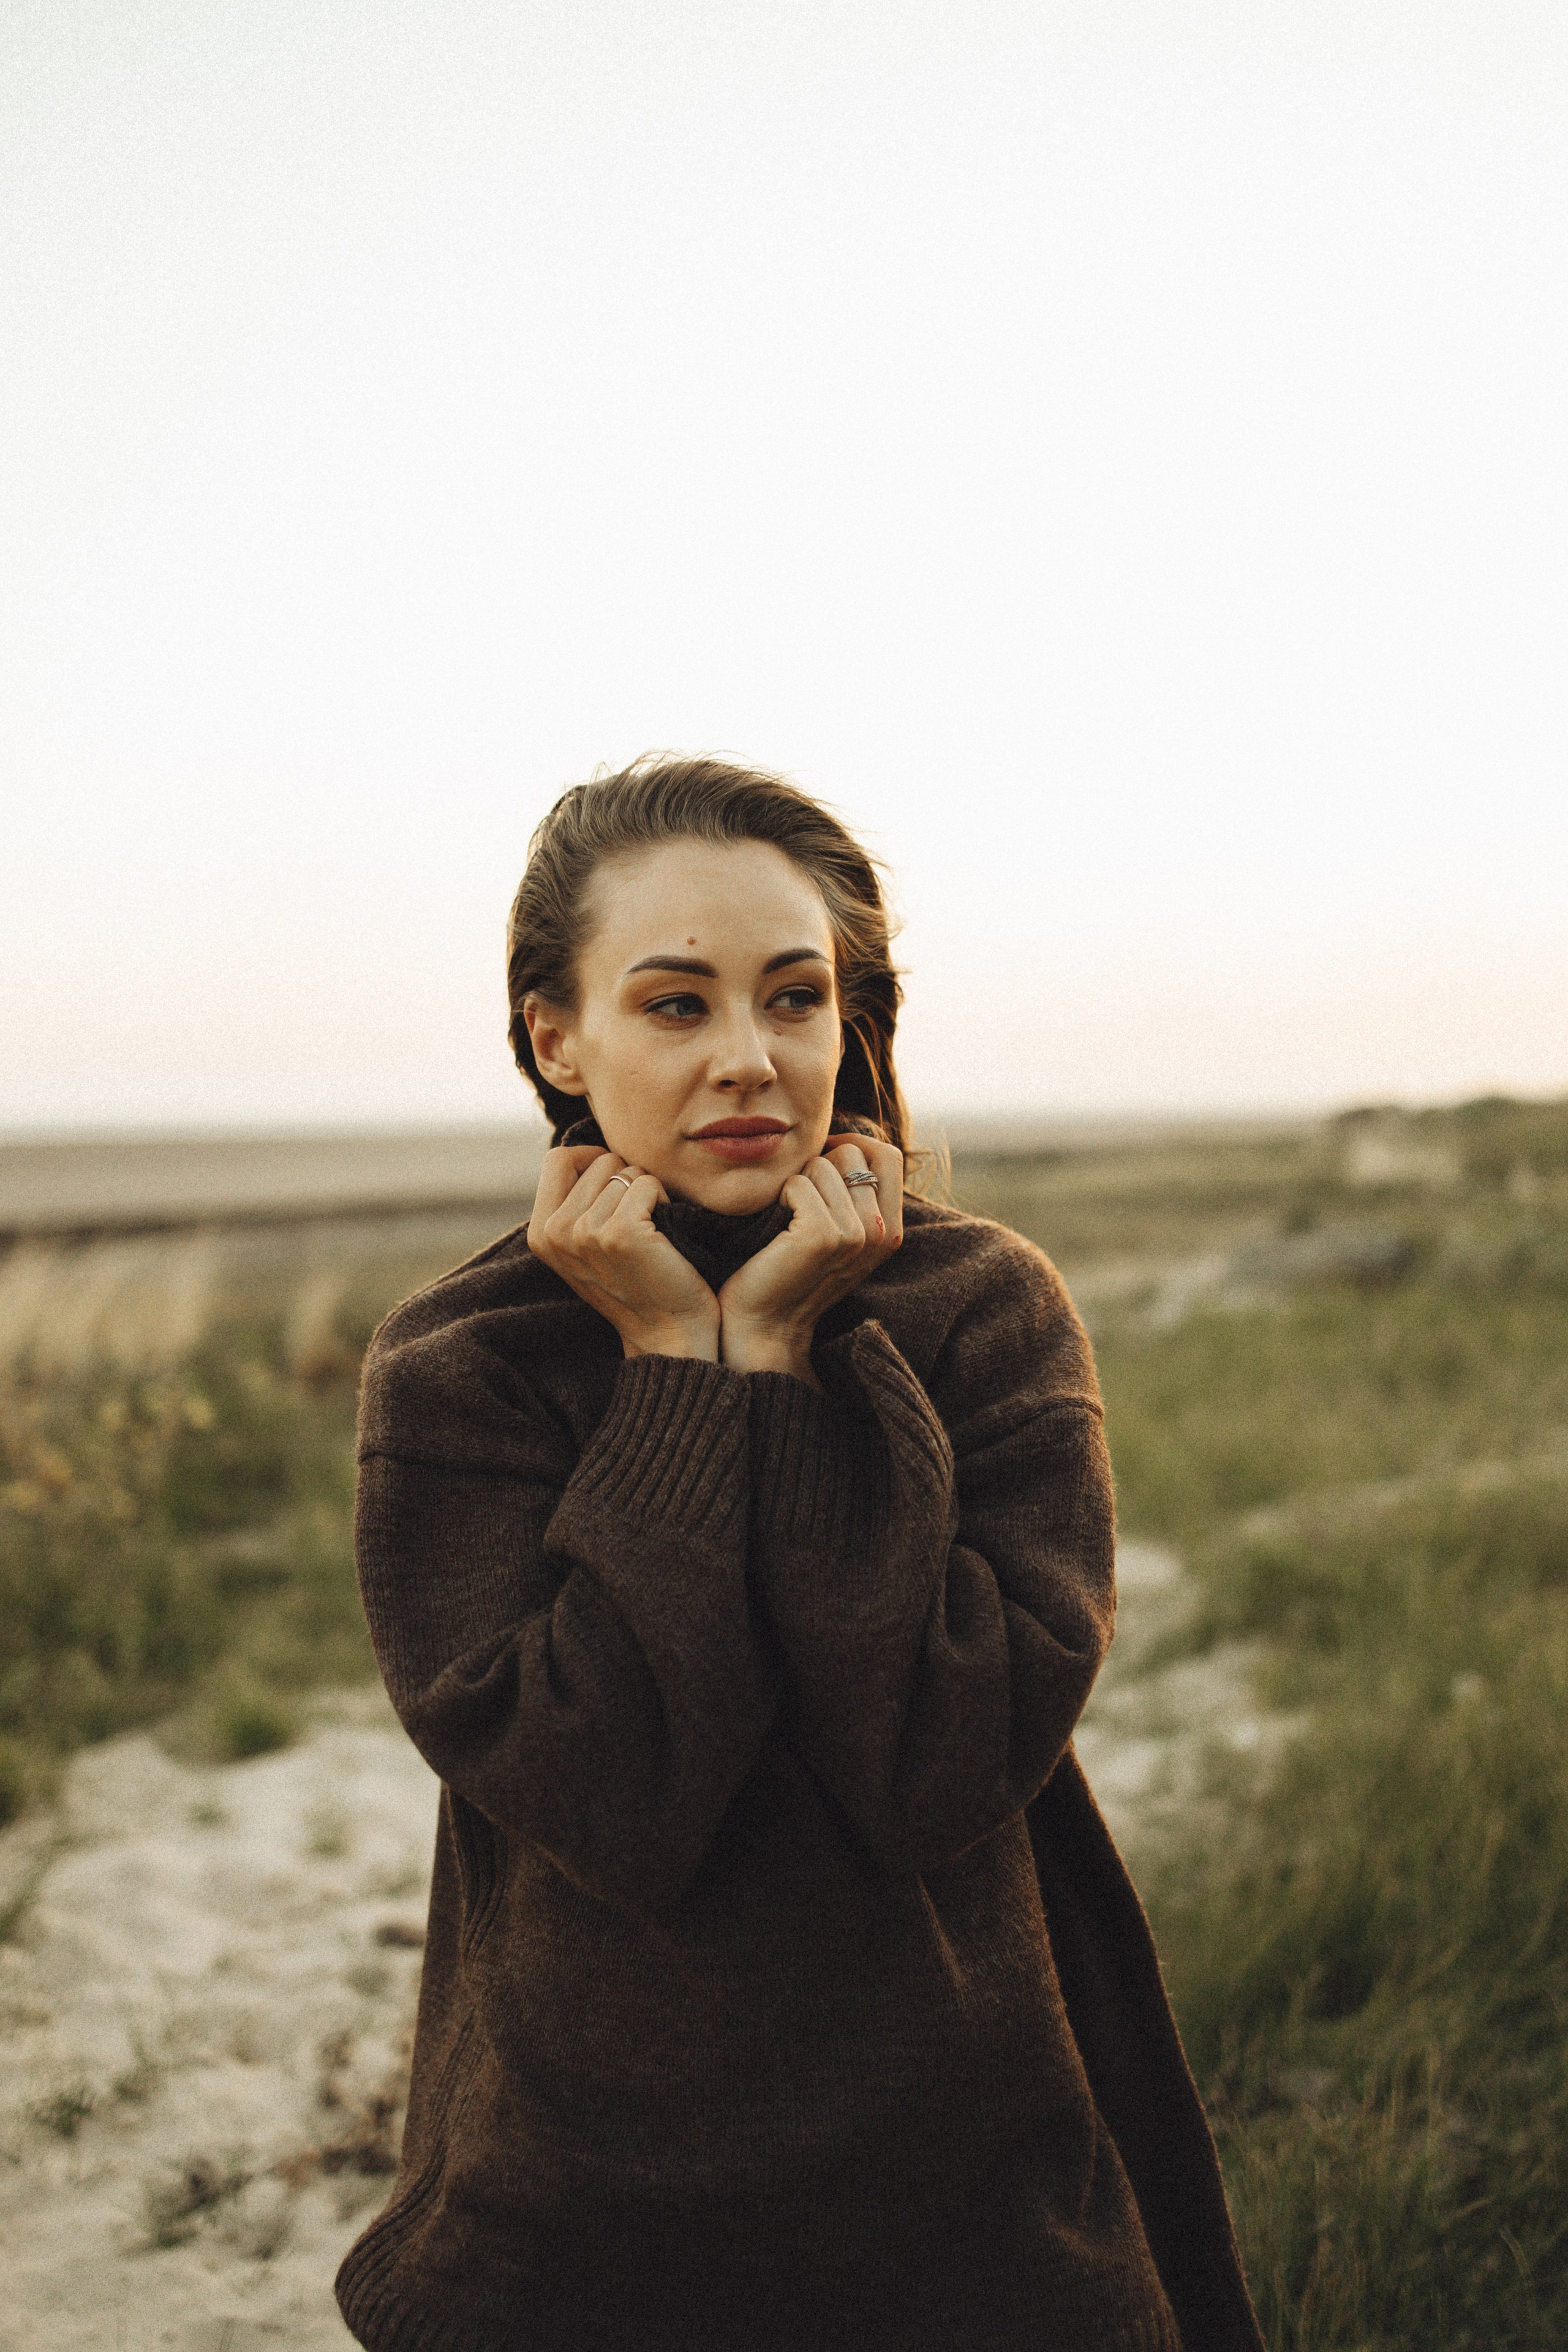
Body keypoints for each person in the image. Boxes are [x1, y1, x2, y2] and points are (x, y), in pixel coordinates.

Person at [335, 755, 1264, 2352]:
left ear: (852, 1020)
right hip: (577, 2222)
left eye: (796, 998)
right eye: (678, 1006)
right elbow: (613, 1794)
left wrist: (786, 1350)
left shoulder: (984, 1313)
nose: (752, 1060)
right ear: (558, 1039)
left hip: (974, 2201)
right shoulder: (458, 1366)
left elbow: (942, 1762)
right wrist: (675, 1374)